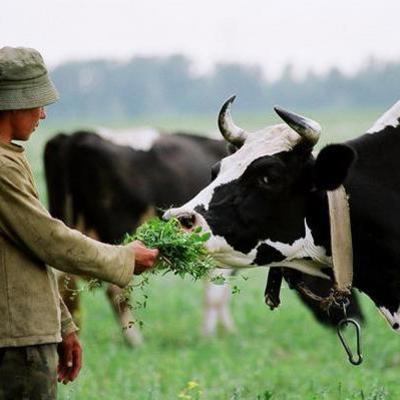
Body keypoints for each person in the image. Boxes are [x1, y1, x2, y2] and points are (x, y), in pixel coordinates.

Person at [0, 46, 159, 400]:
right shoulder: (1, 167)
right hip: (15, 341)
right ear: (12, 103)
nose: (43, 113)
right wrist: (124, 258)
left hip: (28, 332)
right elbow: (49, 240)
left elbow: (28, 255)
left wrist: (63, 325)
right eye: (37, 102)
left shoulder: (12, 157)